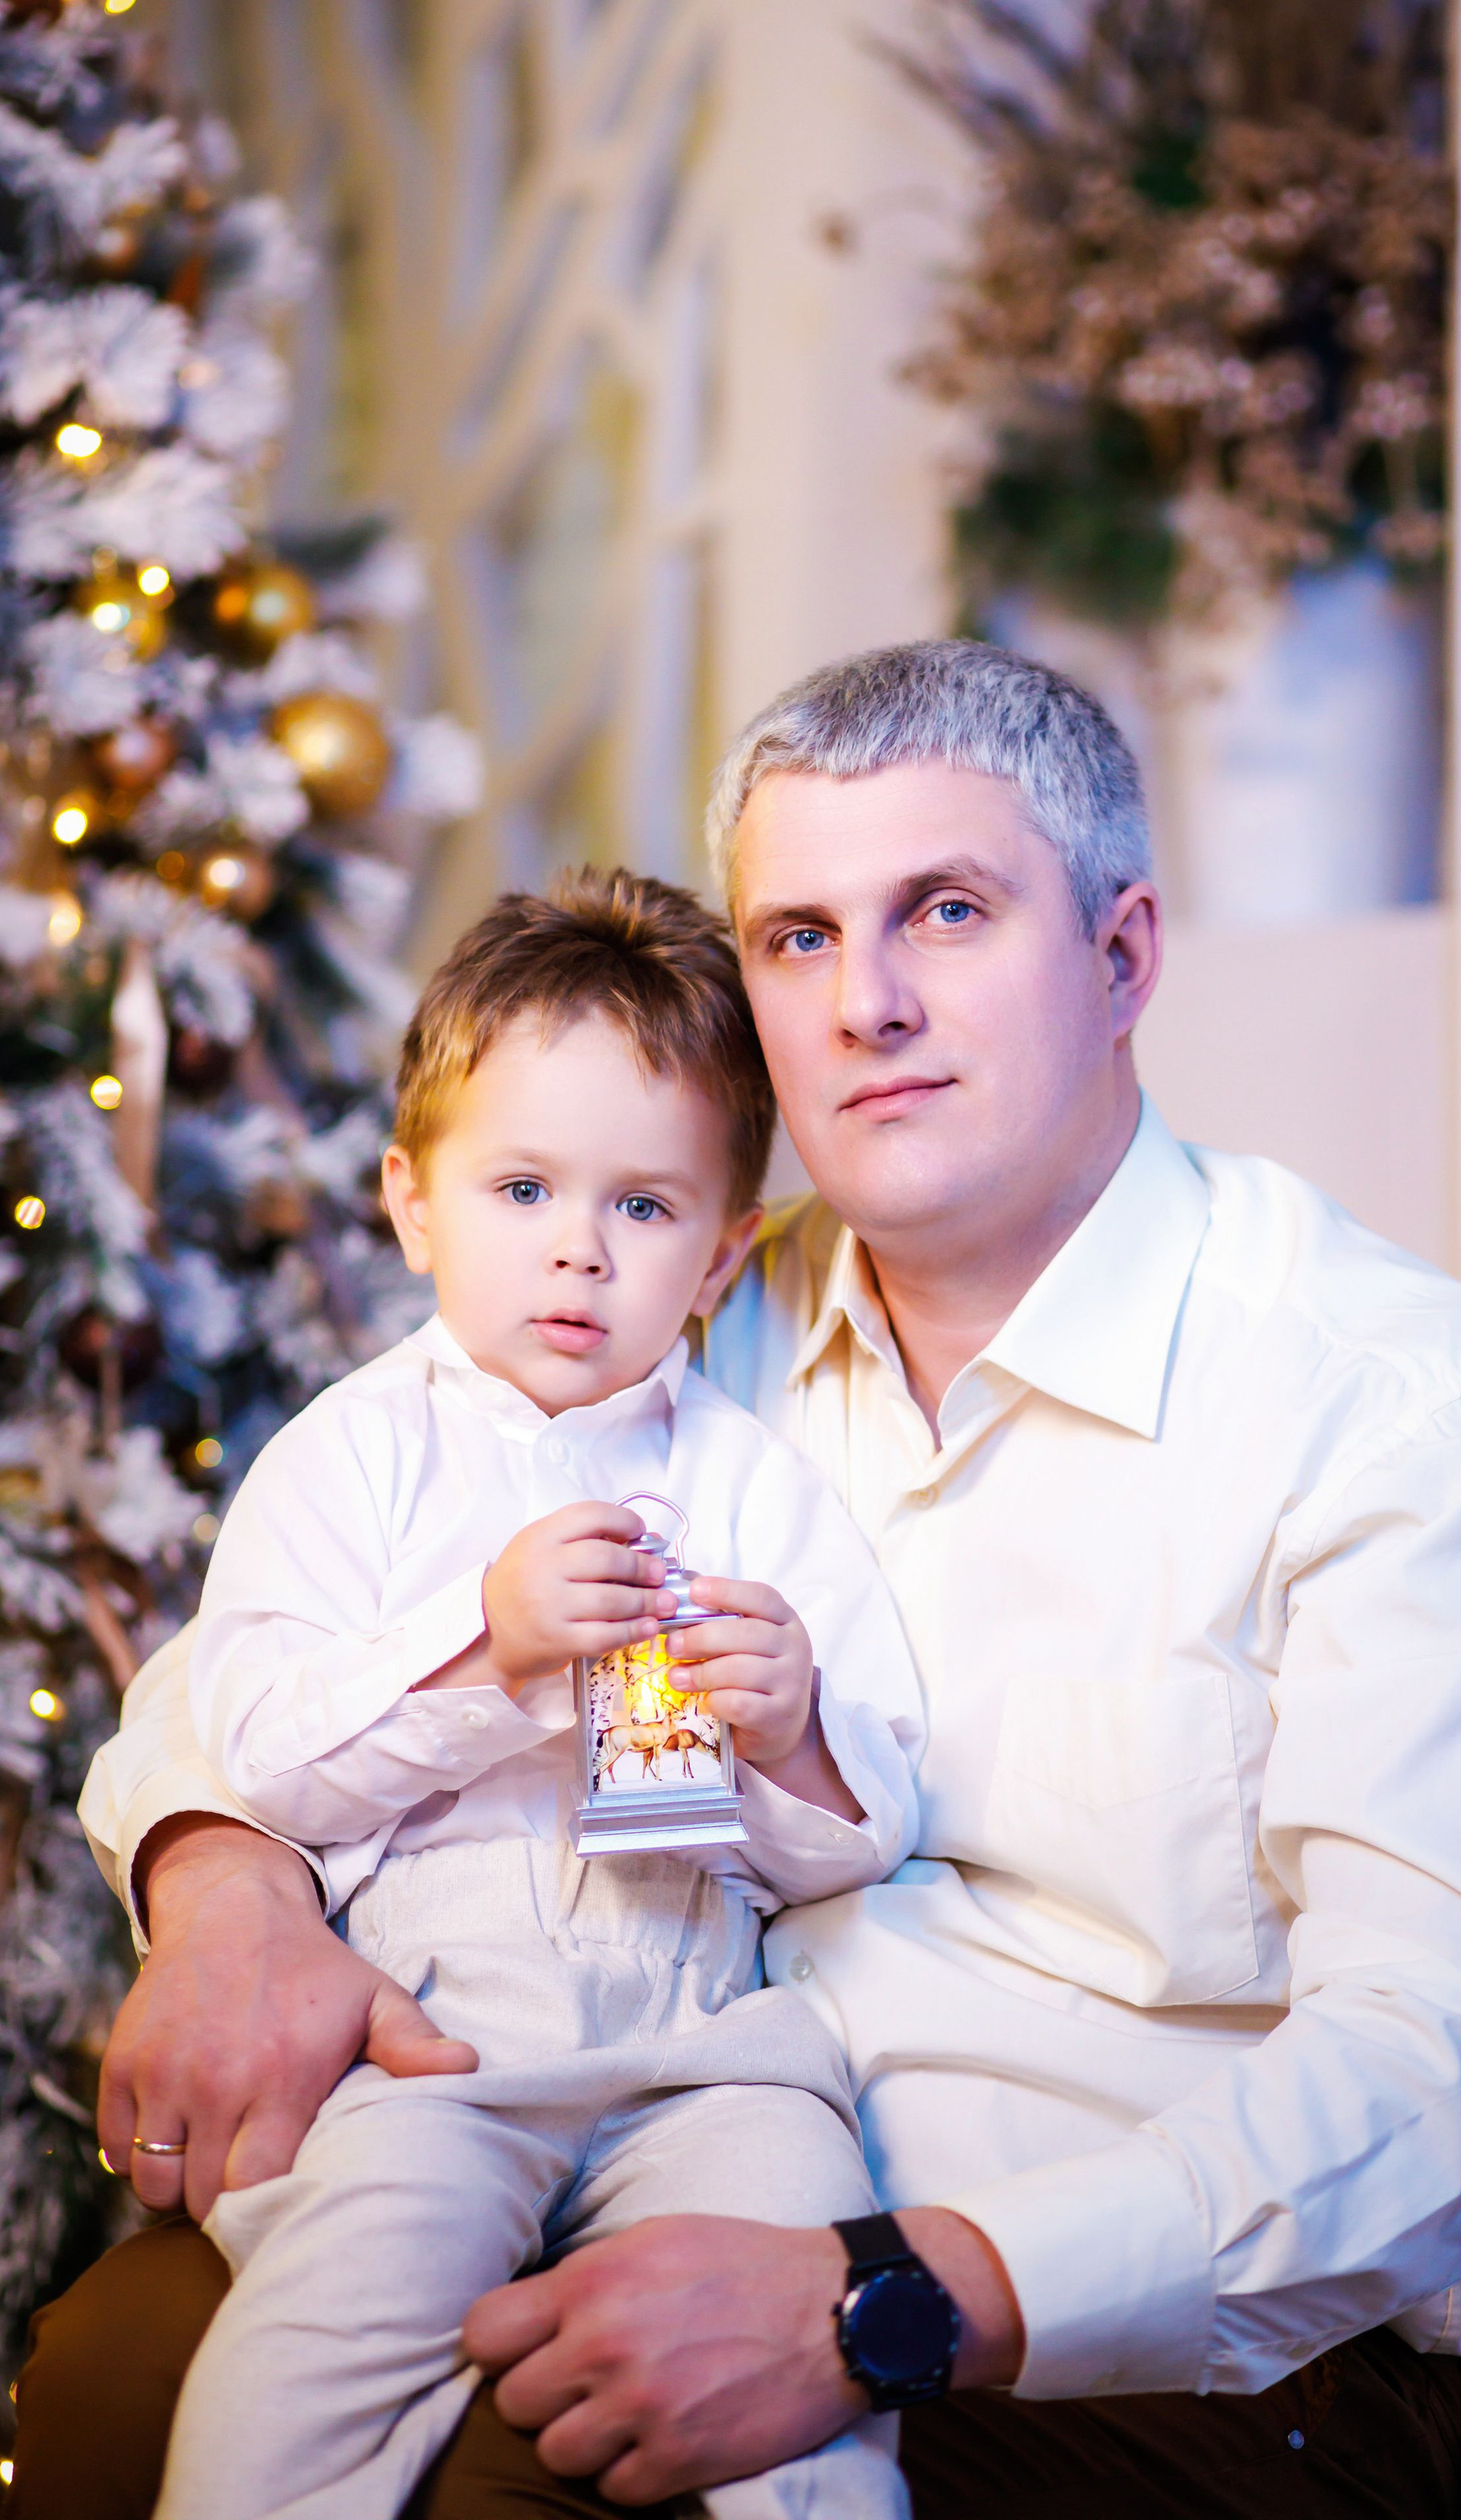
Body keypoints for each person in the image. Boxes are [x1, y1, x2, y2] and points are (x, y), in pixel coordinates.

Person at [17, 642, 1461, 2520]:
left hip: (1146, 2341)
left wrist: (884, 2298)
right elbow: (258, 1655)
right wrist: (227, 1884)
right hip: (614, 2135)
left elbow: (1457, 2096)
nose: (867, 1002)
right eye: (796, 937)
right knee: (111, 2374)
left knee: (525, 2474)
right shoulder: (684, 1293)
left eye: (945, 912)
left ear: (1121, 956)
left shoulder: (1409, 1413)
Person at [136, 870, 922, 2520]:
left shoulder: (754, 1486)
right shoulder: (349, 1457)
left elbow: (857, 1846)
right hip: (440, 2049)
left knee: (811, 2346)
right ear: (412, 1202)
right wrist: (484, 1655)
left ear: (722, 1255)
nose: (576, 1246)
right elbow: (265, 1752)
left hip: (704, 2053)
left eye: (642, 1208)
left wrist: (794, 1737)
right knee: (303, 2356)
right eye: (519, 1188)